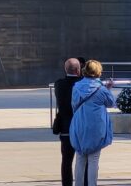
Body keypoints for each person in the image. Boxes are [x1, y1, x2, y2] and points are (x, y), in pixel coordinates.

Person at [68, 59, 116, 186]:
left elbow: (73, 105)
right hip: (96, 126)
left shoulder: (76, 87)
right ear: (98, 72)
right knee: (94, 159)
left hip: (80, 123)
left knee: (79, 158)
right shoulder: (101, 89)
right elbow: (111, 103)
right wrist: (108, 89)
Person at [54, 58, 82, 186]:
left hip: (65, 127)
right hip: (80, 127)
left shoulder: (59, 84)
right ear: (78, 70)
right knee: (84, 160)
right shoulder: (82, 84)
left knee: (66, 161)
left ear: (65, 70)